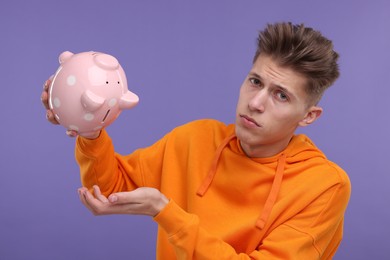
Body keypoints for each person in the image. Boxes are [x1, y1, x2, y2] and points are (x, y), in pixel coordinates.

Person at [41, 22, 351, 259]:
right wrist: (88, 125)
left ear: (308, 116)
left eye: (281, 95)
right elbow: (107, 190)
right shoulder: (196, 138)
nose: (256, 103)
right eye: (255, 81)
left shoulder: (324, 186)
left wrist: (167, 213)